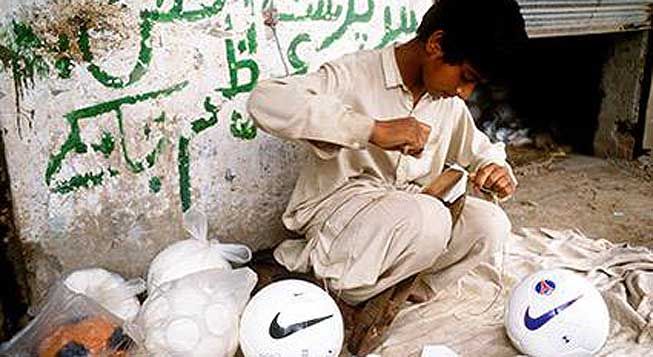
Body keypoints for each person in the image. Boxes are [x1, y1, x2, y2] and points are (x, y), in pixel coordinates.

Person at [248, 0, 526, 323]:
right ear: (436, 44)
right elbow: (264, 100)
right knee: (431, 219)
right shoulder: (355, 74)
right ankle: (334, 286)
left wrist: (497, 169)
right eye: (465, 77)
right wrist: (372, 129)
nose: (465, 92)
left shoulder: (445, 101)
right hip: (343, 212)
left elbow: (482, 149)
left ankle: (399, 292)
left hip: (408, 219)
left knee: (490, 225)